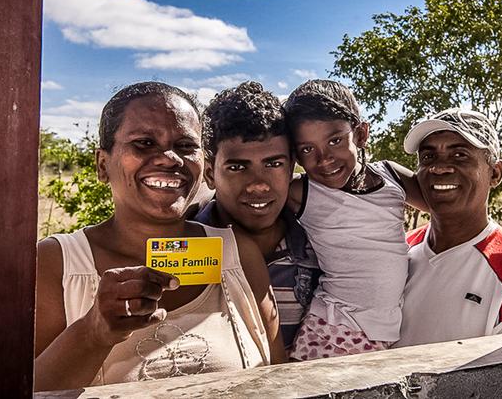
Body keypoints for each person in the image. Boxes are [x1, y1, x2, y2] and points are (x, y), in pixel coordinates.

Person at [34, 82, 283, 391]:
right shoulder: (55, 264)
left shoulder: (237, 255)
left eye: (185, 145)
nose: (169, 158)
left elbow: (281, 383)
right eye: (144, 143)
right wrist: (92, 333)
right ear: (102, 164)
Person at [282, 79, 426, 360]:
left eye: (335, 141)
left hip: (384, 330)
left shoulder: (391, 176)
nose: (324, 159)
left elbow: (444, 205)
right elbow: (241, 197)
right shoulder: (302, 191)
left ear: (361, 134)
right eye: (307, 150)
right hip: (332, 329)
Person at [394, 108, 502, 347]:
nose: (439, 167)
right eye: (428, 157)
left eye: (460, 156)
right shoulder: (397, 250)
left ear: (495, 173)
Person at [195, 81, 321, 355]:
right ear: (209, 173)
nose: (258, 185)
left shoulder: (324, 244)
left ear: (291, 168)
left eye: (273, 164)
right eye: (238, 167)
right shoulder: (180, 247)